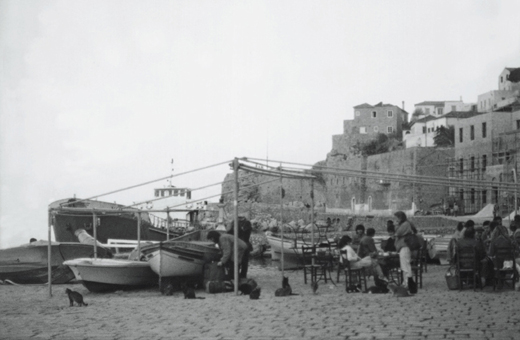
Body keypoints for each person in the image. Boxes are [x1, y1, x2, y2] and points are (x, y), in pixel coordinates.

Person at [394, 211, 415, 290]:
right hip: (403, 247)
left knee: (405, 265)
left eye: (396, 218)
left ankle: (407, 283)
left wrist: (396, 225)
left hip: (404, 246)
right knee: (405, 265)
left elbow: (397, 233)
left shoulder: (405, 224)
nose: (395, 220)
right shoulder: (406, 224)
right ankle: (406, 282)